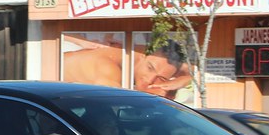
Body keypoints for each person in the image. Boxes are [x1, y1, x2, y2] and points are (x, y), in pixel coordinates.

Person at [63, 39, 191, 99]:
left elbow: (191, 69)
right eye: (150, 68)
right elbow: (112, 103)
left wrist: (185, 79)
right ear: (141, 56)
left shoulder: (131, 53)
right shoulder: (109, 69)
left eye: (160, 78)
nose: (150, 79)